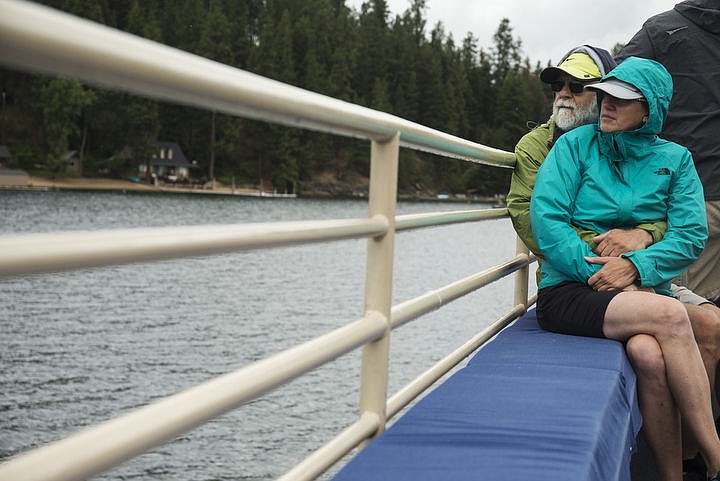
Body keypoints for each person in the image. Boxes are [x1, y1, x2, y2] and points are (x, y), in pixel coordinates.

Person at [507, 46, 720, 480]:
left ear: (650, 110)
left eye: (622, 99)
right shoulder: (573, 146)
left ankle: (674, 473)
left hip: (637, 287)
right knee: (670, 315)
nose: (608, 104)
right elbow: (547, 221)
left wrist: (637, 267)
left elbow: (691, 234)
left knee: (648, 352)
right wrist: (601, 273)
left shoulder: (675, 160)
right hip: (568, 289)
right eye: (605, 95)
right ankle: (715, 457)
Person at [616, 0, 720, 303]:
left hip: (691, 198)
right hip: (698, 198)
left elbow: (616, 89)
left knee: (691, 312)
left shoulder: (659, 31)